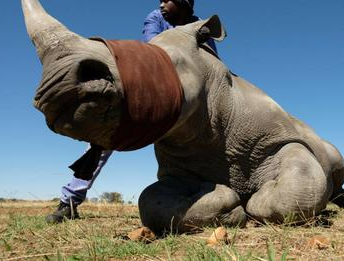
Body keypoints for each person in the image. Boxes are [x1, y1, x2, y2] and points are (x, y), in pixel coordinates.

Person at [45, 0, 217, 223]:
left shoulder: (201, 26)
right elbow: (155, 48)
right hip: (156, 86)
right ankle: (69, 201)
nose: (161, 3)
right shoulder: (156, 18)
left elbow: (213, 64)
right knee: (103, 140)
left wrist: (205, 41)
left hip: (192, 97)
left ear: (183, 2)